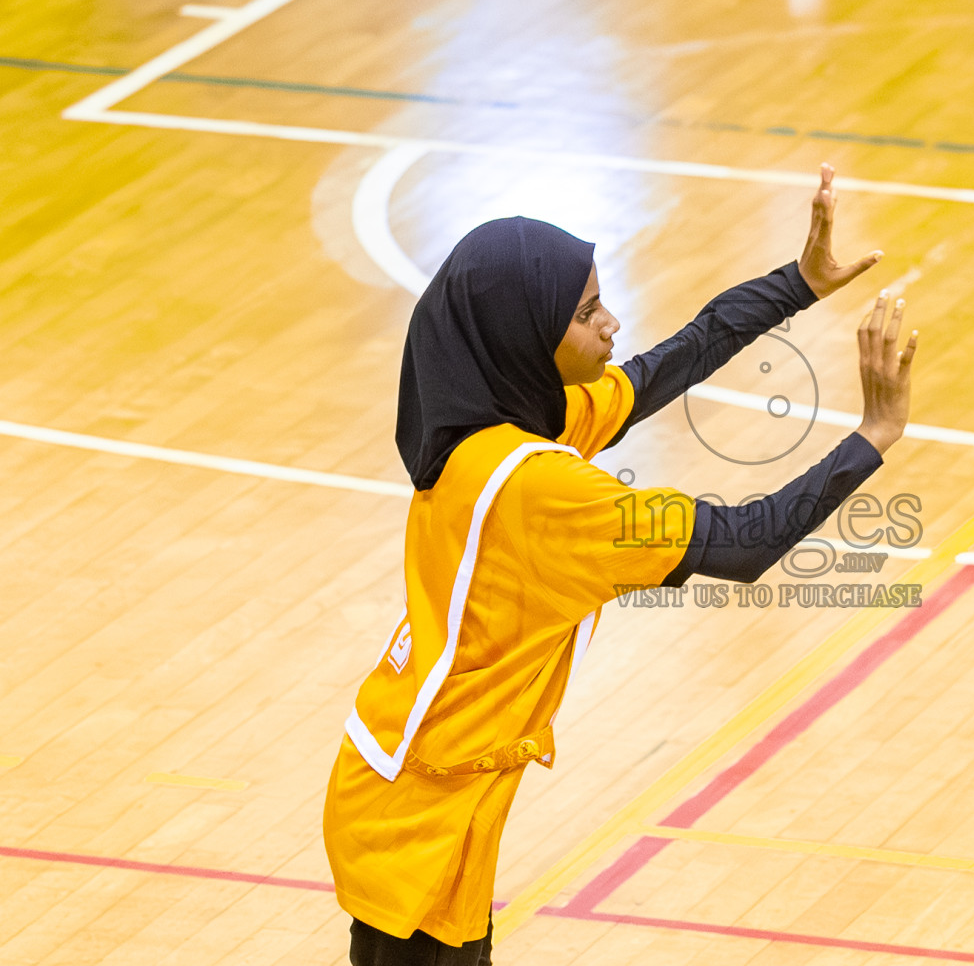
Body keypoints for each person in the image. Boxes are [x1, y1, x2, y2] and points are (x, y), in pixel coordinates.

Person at [323, 165, 919, 965]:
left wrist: (796, 284)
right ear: (524, 338)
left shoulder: (500, 424)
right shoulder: (541, 488)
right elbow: (747, 543)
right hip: (416, 816)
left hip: (428, 786)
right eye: (585, 312)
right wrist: (873, 434)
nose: (611, 323)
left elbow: (658, 371)